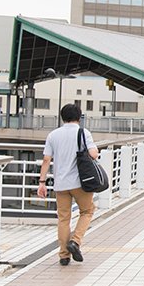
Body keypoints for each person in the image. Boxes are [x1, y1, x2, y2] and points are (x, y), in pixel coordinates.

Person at [37, 104, 99, 266]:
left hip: (61, 183)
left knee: (64, 219)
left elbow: (46, 160)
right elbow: (94, 154)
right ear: (79, 117)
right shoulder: (83, 133)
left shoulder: (53, 135)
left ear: (62, 117)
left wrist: (42, 183)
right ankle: (76, 241)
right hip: (80, 183)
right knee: (87, 211)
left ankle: (64, 255)